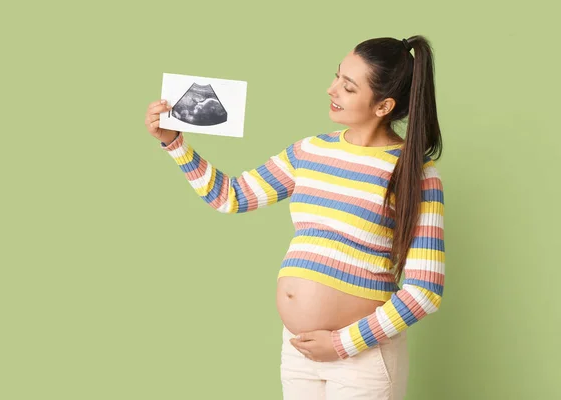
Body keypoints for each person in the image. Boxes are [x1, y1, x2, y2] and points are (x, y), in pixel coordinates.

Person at [144, 35, 445, 400]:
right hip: (299, 351)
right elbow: (231, 197)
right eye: (336, 77)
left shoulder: (414, 172)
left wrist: (342, 343)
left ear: (383, 106)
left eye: (348, 87)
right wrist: (174, 141)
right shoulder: (310, 151)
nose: (331, 89)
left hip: (360, 359)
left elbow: (424, 290)